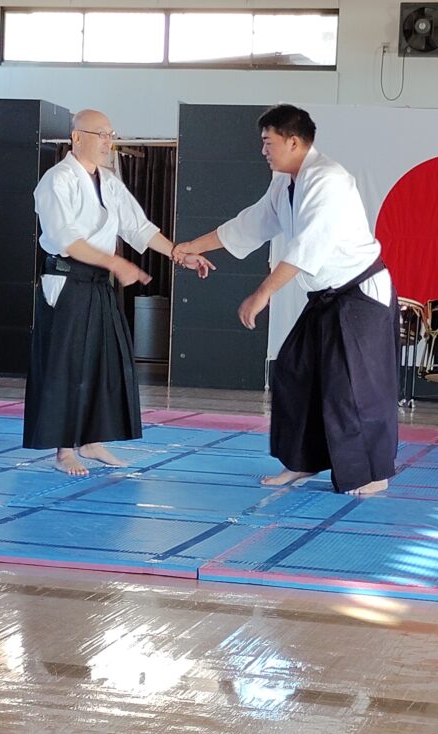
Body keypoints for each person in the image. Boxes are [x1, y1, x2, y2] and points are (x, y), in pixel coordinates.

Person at [173, 104, 399, 496]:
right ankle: (301, 461)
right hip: (328, 297)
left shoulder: (329, 179)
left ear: (293, 142)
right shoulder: (284, 183)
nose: (263, 150)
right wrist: (195, 245)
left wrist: (261, 294)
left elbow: (307, 246)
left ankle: (372, 473)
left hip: (361, 294)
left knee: (354, 386)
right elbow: (251, 223)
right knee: (294, 372)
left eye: (268, 142)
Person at [23, 108, 213, 476]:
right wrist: (116, 263)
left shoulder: (108, 182)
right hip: (66, 282)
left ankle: (92, 440)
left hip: (98, 283)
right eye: (102, 134)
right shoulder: (57, 180)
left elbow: (138, 227)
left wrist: (178, 253)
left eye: (111, 135)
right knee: (67, 364)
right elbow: (68, 240)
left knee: (104, 361)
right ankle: (64, 450)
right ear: (77, 137)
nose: (109, 142)